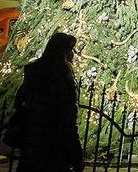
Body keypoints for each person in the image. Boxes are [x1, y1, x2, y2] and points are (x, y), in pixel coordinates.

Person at [12, 32, 84, 172]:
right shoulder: (63, 78)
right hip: (54, 147)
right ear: (63, 52)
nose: (72, 54)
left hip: (32, 144)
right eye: (70, 50)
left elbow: (19, 100)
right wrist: (77, 157)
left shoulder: (34, 71)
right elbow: (68, 121)